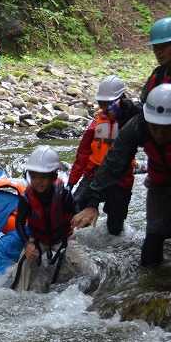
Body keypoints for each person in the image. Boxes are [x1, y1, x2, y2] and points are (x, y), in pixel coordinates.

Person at [73, 83, 171, 266]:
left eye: (166, 127)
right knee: (152, 241)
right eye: (155, 127)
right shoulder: (138, 125)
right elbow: (114, 161)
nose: (159, 134)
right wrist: (93, 202)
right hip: (159, 184)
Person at [12, 146, 96, 292]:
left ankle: (90, 293)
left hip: (63, 239)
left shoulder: (63, 193)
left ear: (53, 177)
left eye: (43, 177)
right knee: (21, 268)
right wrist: (27, 244)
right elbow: (19, 223)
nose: (38, 181)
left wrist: (80, 218)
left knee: (90, 271)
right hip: (38, 240)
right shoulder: (26, 198)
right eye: (34, 176)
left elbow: (74, 207)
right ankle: (18, 296)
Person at [69, 74, 139, 236]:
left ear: (121, 100)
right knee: (74, 207)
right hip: (94, 173)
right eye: (102, 103)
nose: (106, 108)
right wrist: (71, 182)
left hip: (121, 178)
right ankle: (73, 242)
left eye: (109, 103)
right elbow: (82, 156)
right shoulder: (95, 125)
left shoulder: (132, 124)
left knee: (115, 226)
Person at [140, 17, 171, 104]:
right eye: (155, 47)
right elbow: (143, 105)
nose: (158, 52)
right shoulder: (157, 73)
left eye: (164, 46)